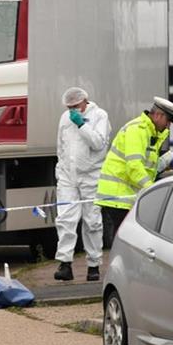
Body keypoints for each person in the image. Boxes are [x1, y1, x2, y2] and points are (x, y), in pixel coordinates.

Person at [95, 96, 173, 248]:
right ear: (158, 115)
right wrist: (152, 190)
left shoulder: (153, 132)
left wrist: (163, 164)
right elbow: (133, 166)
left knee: (130, 240)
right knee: (126, 241)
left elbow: (145, 165)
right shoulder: (137, 130)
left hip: (129, 193)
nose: (168, 126)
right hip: (118, 196)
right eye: (168, 121)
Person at [53, 87, 111, 282]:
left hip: (92, 176)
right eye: (69, 107)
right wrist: (61, 172)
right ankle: (65, 263)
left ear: (85, 101)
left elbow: (98, 143)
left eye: (75, 106)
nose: (72, 111)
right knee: (65, 219)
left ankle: (93, 265)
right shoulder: (64, 118)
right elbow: (61, 147)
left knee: (92, 222)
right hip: (68, 176)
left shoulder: (99, 116)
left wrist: (82, 126)